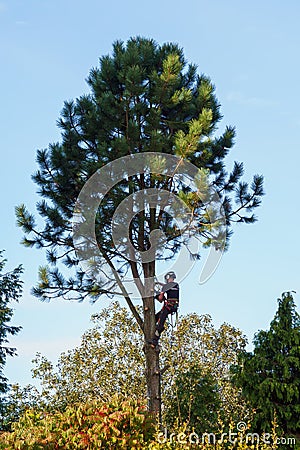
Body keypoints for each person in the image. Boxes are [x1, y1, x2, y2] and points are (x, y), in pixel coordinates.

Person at [148, 271, 179, 348]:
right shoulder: (175, 285)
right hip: (172, 306)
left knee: (161, 321)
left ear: (168, 278)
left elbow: (161, 299)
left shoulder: (169, 286)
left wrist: (158, 294)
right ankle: (156, 330)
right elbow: (166, 286)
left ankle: (155, 340)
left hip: (169, 306)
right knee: (155, 317)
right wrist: (158, 284)